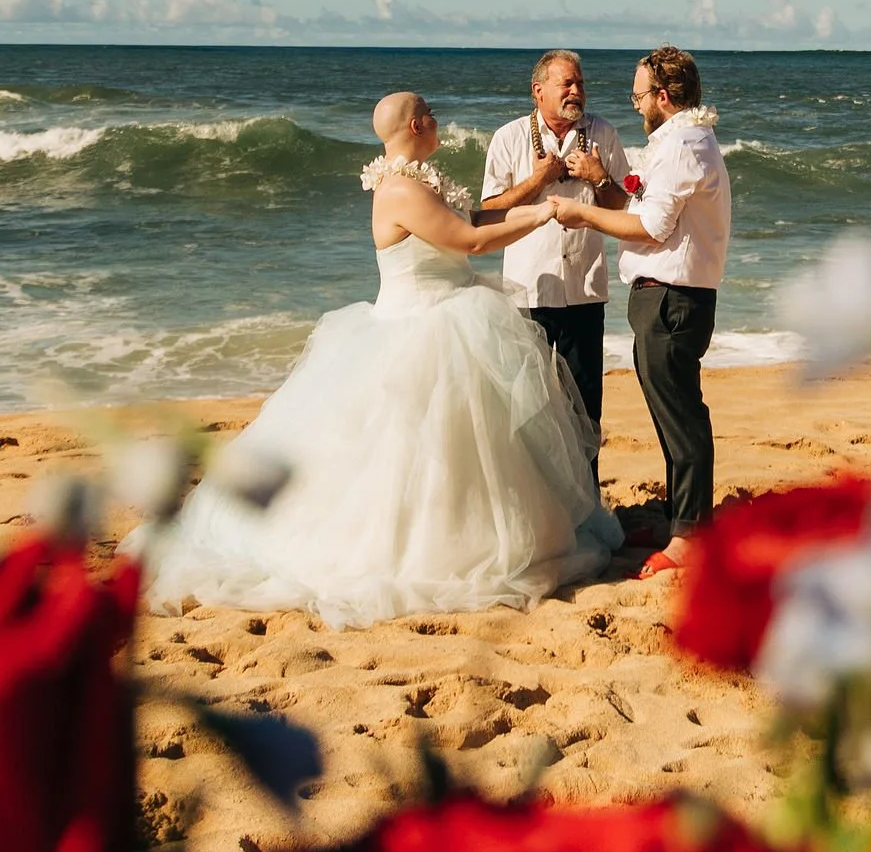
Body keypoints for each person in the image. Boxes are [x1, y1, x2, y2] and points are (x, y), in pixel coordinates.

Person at [143, 90, 623, 622]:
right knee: (414, 452)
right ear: (417, 124)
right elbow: (468, 241)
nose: (439, 122)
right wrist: (544, 214)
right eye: (432, 115)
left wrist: (530, 200)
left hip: (448, 312)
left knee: (463, 451)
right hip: (418, 326)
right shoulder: (400, 189)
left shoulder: (417, 179)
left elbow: (474, 216)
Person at [548, 45, 729, 578]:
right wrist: (610, 181)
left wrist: (583, 213)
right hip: (665, 295)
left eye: (639, 94)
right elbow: (648, 203)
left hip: (674, 299)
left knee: (682, 418)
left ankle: (692, 536)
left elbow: (651, 227)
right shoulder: (679, 141)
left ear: (663, 97)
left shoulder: (684, 145)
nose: (635, 104)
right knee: (669, 414)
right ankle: (681, 517)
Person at [479, 50, 632, 453]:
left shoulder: (603, 134)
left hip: (584, 290)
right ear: (538, 90)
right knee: (526, 409)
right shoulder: (509, 137)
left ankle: (586, 507)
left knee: (584, 410)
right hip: (527, 292)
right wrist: (539, 179)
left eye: (579, 83)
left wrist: (600, 179)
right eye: (567, 83)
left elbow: (622, 207)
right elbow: (488, 213)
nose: (576, 91)